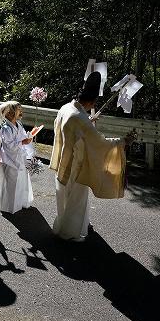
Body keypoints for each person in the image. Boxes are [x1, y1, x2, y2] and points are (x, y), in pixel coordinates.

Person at [49, 72, 137, 241]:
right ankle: (70, 233)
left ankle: (63, 227)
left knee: (64, 198)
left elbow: (72, 129)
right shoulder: (81, 119)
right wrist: (122, 141)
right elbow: (100, 143)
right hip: (76, 165)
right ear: (91, 101)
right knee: (76, 201)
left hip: (63, 159)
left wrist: (88, 120)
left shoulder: (66, 108)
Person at [0, 101, 36, 214]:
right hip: (10, 160)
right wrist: (23, 142)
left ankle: (22, 203)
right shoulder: (6, 128)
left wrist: (29, 137)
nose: (21, 111)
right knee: (11, 184)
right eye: (18, 109)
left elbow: (22, 138)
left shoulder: (19, 124)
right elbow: (9, 146)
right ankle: (11, 207)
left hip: (20, 157)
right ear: (10, 113)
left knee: (22, 181)